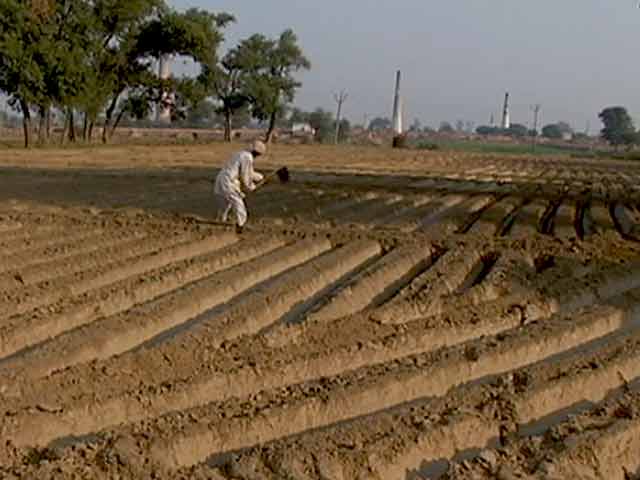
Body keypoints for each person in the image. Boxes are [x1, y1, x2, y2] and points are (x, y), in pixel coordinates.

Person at [214, 140, 266, 234]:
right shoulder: (247, 157)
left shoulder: (241, 154)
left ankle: (220, 224)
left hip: (221, 179)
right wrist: (251, 187)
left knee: (225, 206)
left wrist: (261, 177)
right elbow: (245, 175)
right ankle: (240, 226)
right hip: (229, 182)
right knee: (239, 205)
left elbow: (249, 172)